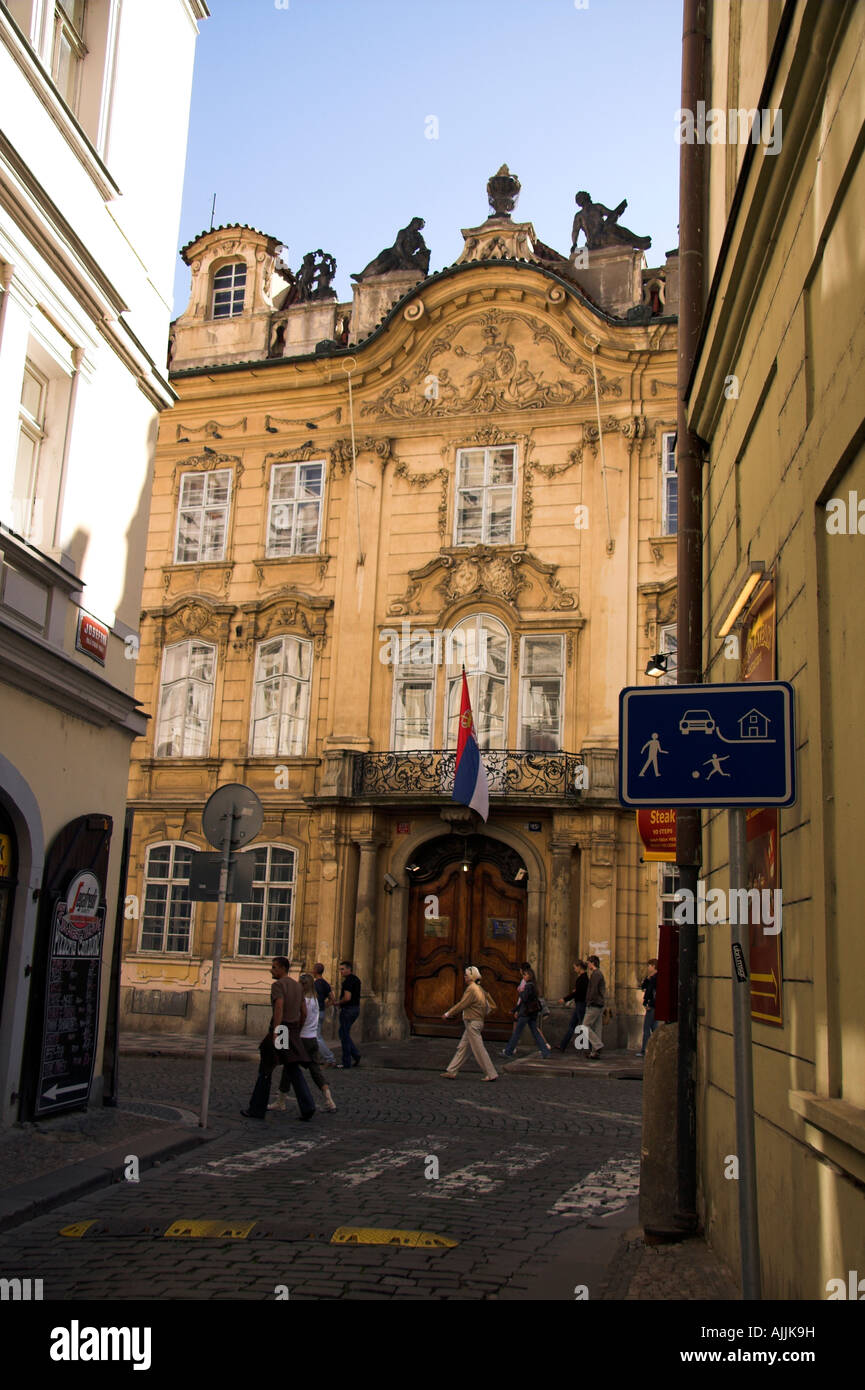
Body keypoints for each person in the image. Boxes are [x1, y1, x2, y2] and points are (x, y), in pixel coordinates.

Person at [241, 957, 315, 1120]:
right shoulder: (297, 986)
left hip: (281, 1029)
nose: (271, 970)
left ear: (282, 968)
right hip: (293, 1029)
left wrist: (276, 1030)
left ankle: (257, 1108)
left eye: (274, 967)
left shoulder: (278, 985)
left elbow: (279, 1006)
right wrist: (298, 1028)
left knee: (266, 1069)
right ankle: (308, 1106)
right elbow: (304, 1012)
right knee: (293, 1068)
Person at [272, 974, 337, 1112]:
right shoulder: (315, 999)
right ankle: (329, 1099)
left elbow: (302, 1016)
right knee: (315, 1070)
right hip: (312, 1038)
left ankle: (281, 1101)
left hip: (301, 1038)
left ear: (302, 985)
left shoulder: (304, 1000)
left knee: (289, 1067)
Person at [440, 966, 498, 1081]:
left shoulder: (472, 989)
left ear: (471, 977)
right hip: (474, 1022)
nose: (464, 977)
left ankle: (491, 1073)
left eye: (466, 975)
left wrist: (448, 1014)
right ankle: (452, 1070)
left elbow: (462, 1004)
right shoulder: (479, 988)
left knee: (479, 1050)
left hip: (473, 1023)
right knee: (463, 1047)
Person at [502, 965, 552, 1060]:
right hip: (532, 1013)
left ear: (529, 976)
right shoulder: (534, 986)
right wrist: (515, 1009)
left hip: (525, 1013)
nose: (523, 977)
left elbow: (524, 999)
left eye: (525, 975)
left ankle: (508, 1051)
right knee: (535, 1032)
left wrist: (520, 992)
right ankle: (545, 1051)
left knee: (517, 1032)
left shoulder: (528, 986)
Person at [558, 960, 589, 1051]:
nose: (574, 969)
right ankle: (563, 1045)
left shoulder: (583, 978)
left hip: (581, 1004)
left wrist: (565, 999)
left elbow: (579, 993)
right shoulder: (582, 978)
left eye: (575, 967)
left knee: (583, 1026)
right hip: (579, 1004)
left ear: (579, 967)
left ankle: (588, 1047)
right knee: (572, 1025)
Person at [336, 960, 361, 1069]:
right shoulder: (356, 979)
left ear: (349, 969)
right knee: (343, 1033)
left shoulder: (348, 982)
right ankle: (355, 1054)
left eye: (342, 969)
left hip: (348, 1009)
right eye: (340, 969)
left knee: (344, 1035)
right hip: (355, 1009)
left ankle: (347, 1062)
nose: (340, 971)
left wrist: (338, 1002)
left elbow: (347, 997)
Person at [581, 954, 606, 1060]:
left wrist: (589, 1001)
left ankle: (598, 1045)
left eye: (589, 963)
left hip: (594, 1004)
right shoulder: (599, 974)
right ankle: (595, 1052)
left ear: (593, 963)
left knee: (584, 1026)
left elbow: (593, 990)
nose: (588, 965)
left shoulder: (596, 974)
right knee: (597, 1028)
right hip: (599, 1004)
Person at [312, 962, 336, 1064]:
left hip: (315, 1012)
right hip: (321, 1011)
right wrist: (324, 1006)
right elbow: (332, 998)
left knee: (317, 1037)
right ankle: (313, 1057)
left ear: (315, 971)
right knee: (314, 1036)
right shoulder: (325, 983)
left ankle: (329, 1058)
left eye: (313, 969)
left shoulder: (315, 984)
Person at [637, 958, 659, 1057]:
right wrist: (647, 979)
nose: (648, 967)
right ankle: (656, 1048)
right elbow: (643, 987)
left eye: (649, 965)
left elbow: (653, 993)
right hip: (651, 1005)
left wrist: (649, 1004)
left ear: (654, 966)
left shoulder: (656, 978)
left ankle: (645, 1050)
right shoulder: (651, 978)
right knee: (654, 1028)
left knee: (647, 1028)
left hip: (652, 1006)